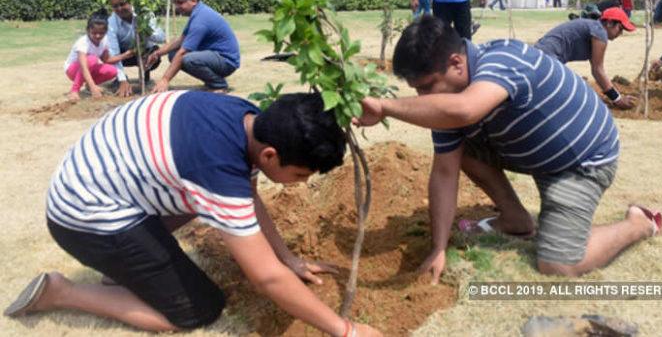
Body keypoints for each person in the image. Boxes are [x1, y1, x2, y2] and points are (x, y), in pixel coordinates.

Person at [4, 91, 382, 337]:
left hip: (104, 189)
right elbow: (265, 278)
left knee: (210, 207)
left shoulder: (247, 116)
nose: (300, 183)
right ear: (270, 156)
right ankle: (60, 292)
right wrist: (345, 330)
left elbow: (246, 200)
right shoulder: (216, 166)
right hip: (83, 218)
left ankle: (122, 268)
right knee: (194, 311)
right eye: (300, 174)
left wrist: (289, 259)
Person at [354, 16, 662, 281]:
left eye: (426, 87)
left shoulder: (503, 59)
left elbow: (465, 109)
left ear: (456, 63)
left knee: (559, 264)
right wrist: (438, 248)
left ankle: (638, 224)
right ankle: (516, 220)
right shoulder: (447, 105)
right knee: (461, 151)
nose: (422, 97)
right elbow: (445, 172)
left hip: (581, 161)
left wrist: (384, 106)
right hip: (536, 152)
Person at [535, 7, 638, 110]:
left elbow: (596, 70)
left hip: (542, 56)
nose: (621, 33)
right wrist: (618, 99)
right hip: (547, 58)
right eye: (620, 28)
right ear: (609, 23)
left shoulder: (595, 28)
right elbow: (597, 71)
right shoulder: (599, 32)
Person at [146, 0, 240, 93]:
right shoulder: (198, 12)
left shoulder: (201, 20)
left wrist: (165, 80)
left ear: (193, 0)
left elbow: (183, 52)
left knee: (187, 59)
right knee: (173, 55)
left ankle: (219, 84)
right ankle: (212, 81)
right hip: (215, 56)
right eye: (175, 3)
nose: (176, 7)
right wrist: (157, 53)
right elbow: (181, 40)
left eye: (180, 2)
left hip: (227, 61)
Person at [63, 11, 136, 102]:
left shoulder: (104, 41)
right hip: (73, 70)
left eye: (101, 33)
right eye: (94, 33)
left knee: (113, 70)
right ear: (88, 30)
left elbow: (107, 60)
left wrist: (125, 55)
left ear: (106, 31)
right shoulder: (83, 42)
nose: (98, 36)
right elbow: (84, 67)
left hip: (89, 68)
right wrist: (93, 87)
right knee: (92, 59)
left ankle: (89, 85)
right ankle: (74, 90)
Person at [107, 0, 167, 97]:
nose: (120, 8)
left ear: (131, 2)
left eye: (123, 4)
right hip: (125, 54)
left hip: (145, 52)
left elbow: (162, 38)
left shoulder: (145, 14)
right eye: (115, 6)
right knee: (107, 55)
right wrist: (122, 80)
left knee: (152, 53)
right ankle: (119, 78)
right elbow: (113, 53)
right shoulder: (111, 23)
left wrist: (146, 30)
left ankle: (145, 77)